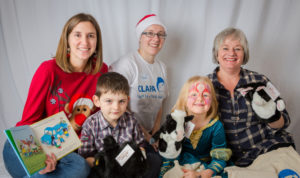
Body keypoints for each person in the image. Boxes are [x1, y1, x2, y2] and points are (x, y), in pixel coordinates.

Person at [2, 13, 108, 177]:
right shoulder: (48, 70)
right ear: (67, 40)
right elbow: (28, 122)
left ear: (97, 42)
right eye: (77, 35)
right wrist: (39, 159)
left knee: (81, 167)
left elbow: (101, 119)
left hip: (66, 153)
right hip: (29, 145)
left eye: (91, 36)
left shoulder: (101, 72)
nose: (85, 42)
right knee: (77, 169)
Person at [208, 27, 300, 176]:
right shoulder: (204, 86)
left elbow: (285, 120)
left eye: (237, 49)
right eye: (225, 48)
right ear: (216, 53)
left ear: (244, 54)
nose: (231, 53)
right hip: (230, 160)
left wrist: (272, 116)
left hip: (269, 148)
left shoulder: (260, 81)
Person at [78, 72, 160, 178]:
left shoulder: (132, 120)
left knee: (154, 160)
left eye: (121, 101)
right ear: (97, 101)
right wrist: (107, 165)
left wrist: (131, 160)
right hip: (105, 170)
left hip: (129, 167)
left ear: (127, 101)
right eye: (109, 101)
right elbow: (86, 157)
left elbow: (140, 147)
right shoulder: (90, 125)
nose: (116, 107)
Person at [109, 14, 168, 145]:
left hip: (149, 135)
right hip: (126, 134)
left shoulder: (162, 67)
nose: (156, 39)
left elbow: (161, 101)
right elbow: (117, 105)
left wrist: (156, 132)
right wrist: (147, 136)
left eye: (161, 34)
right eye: (150, 33)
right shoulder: (127, 64)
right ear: (140, 37)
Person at [162, 76, 230, 178]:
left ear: (212, 100)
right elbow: (169, 152)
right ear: (184, 99)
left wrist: (204, 173)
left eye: (205, 95)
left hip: (207, 167)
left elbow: (220, 158)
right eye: (194, 94)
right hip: (181, 164)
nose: (200, 99)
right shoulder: (177, 121)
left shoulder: (216, 126)